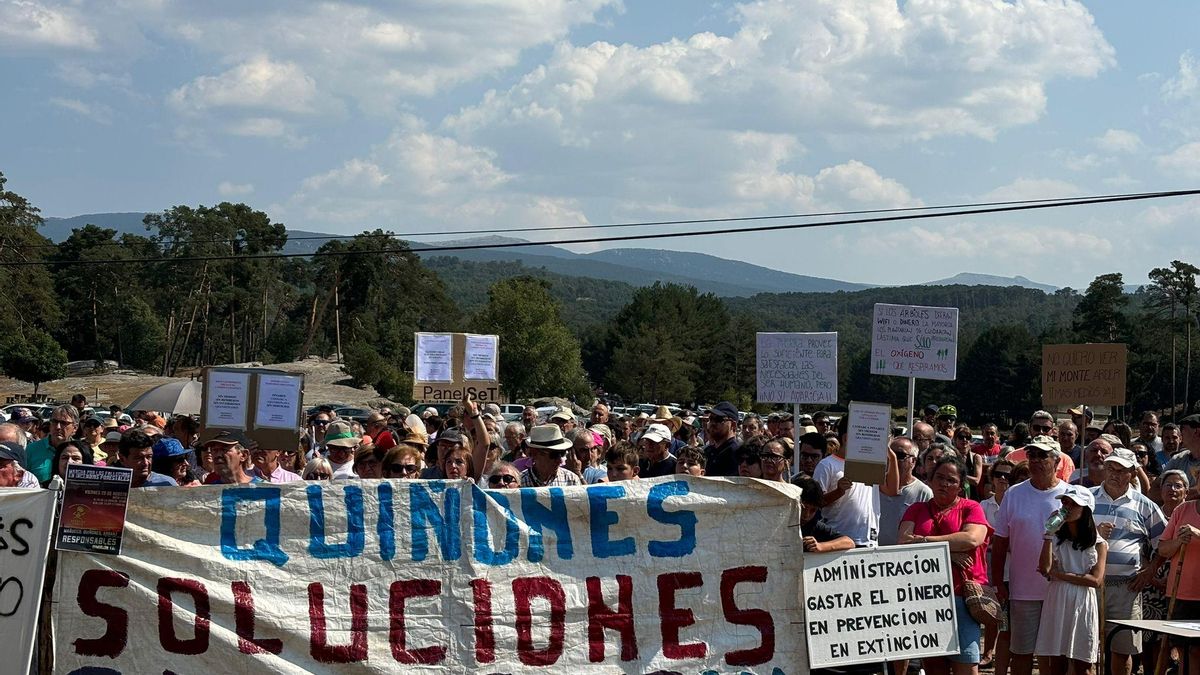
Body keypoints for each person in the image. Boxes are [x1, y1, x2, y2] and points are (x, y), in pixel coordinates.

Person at [899, 457, 990, 673]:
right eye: (939, 477)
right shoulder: (916, 509)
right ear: (930, 480)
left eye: (951, 480)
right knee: (933, 667)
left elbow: (971, 539)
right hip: (926, 597)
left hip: (963, 598)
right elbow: (903, 543)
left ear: (961, 486)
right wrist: (949, 553)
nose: (944, 484)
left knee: (966, 666)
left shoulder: (972, 507)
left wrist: (924, 542)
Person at [991, 436, 1071, 675]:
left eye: (1042, 455)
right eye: (1032, 455)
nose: (1035, 460)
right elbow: (1000, 541)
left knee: (1056, 655)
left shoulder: (1072, 494)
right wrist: (997, 583)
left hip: (1060, 588)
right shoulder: (1014, 494)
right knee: (1022, 653)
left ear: (1057, 461)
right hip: (1022, 590)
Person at [1091, 448, 1167, 675]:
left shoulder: (1145, 505)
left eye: (1121, 470)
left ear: (1133, 473)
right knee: (1086, 648)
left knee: (1123, 650)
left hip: (1127, 587)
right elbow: (1063, 533)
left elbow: (1164, 544)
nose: (1114, 474)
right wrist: (1094, 533)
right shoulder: (1086, 498)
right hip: (1089, 584)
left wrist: (1149, 572)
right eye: (1110, 468)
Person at [1036, 486, 1106, 674]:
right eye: (1065, 502)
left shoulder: (1098, 544)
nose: (1067, 507)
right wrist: (1048, 535)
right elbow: (1044, 568)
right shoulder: (1056, 537)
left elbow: (1096, 580)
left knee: (1083, 662)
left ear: (1085, 510)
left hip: (1082, 601)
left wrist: (1059, 575)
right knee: (1056, 661)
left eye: (1073, 504)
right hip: (1057, 599)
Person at [1157, 482, 1200, 675]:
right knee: (1183, 649)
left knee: (1197, 650)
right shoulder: (1183, 509)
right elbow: (1163, 549)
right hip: (1180, 592)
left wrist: (1197, 534)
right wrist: (1179, 541)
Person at [980, 458, 1017, 672]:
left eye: (1008, 476)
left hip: (1013, 570)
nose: (1003, 479)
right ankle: (988, 652)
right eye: (999, 475)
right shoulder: (983, 506)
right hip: (988, 569)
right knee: (991, 613)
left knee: (1007, 618)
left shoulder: (1017, 504)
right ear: (991, 479)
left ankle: (1002, 654)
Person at [879, 437, 932, 547]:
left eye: (899, 455)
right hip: (871, 554)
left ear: (913, 461)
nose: (892, 458)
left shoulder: (923, 492)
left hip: (903, 558)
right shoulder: (874, 485)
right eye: (889, 453)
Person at [793, 477, 855, 553]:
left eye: (813, 510)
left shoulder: (813, 525)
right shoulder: (777, 521)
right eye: (803, 508)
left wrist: (821, 546)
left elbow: (849, 542)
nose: (806, 515)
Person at [25, 404, 79, 484]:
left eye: (63, 423)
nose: (58, 427)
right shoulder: (31, 450)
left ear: (75, 428)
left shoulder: (80, 452)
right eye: (54, 422)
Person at [702, 401, 742, 477]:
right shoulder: (707, 451)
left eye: (718, 419)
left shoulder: (737, 453)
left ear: (733, 425)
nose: (713, 423)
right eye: (711, 419)